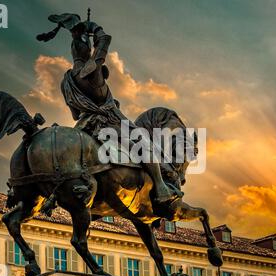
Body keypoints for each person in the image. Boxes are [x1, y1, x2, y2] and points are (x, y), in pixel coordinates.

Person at [37, 13, 178, 207]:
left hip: (84, 126)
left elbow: (75, 114)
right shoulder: (91, 70)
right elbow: (105, 39)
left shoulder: (66, 80)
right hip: (108, 122)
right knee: (141, 141)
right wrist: (94, 27)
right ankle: (161, 187)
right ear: (88, 50)